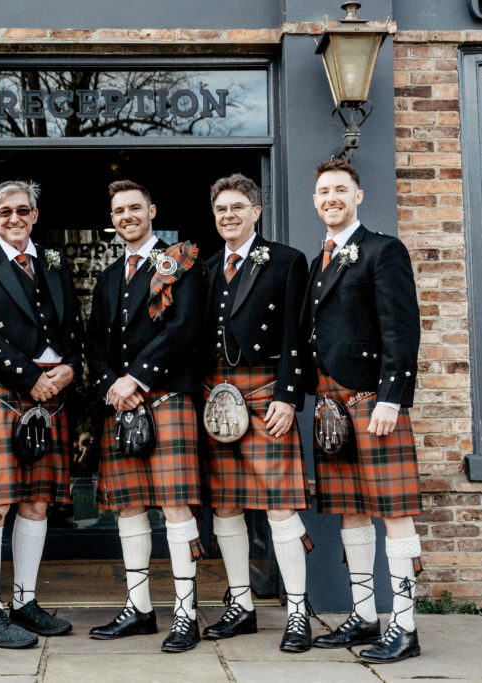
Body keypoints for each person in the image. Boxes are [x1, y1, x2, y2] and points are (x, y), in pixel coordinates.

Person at [0, 180, 83, 649]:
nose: (14, 218)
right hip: (4, 391)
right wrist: (30, 378)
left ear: (34, 215)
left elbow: (74, 325)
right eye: (4, 212)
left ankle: (24, 602)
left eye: (23, 211)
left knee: (37, 500)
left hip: (53, 391)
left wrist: (72, 366)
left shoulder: (54, 260)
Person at [303, 159, 423, 663]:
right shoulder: (320, 261)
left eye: (339, 190)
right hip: (332, 407)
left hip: (373, 403)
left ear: (359, 195)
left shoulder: (382, 250)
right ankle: (363, 614)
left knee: (394, 513)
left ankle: (405, 626)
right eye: (323, 191)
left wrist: (392, 398)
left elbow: (402, 328)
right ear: (314, 201)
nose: (330, 198)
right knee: (350, 513)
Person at [84, 179, 206, 653]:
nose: (127, 216)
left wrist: (135, 378)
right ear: (112, 219)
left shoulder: (179, 262)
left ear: (152, 210)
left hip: (167, 397)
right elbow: (93, 343)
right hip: (122, 402)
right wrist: (112, 384)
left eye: (135, 207)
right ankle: (138, 609)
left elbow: (184, 329)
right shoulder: (109, 274)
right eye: (119, 210)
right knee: (129, 506)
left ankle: (185, 614)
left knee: (175, 508)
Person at [200, 174, 313, 651]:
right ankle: (241, 605)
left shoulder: (287, 261)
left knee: (279, 504)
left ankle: (298, 611)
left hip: (266, 390)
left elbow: (297, 334)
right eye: (221, 208)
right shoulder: (204, 268)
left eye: (237, 207)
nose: (229, 215)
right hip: (218, 396)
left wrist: (288, 397)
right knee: (225, 505)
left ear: (256, 211)